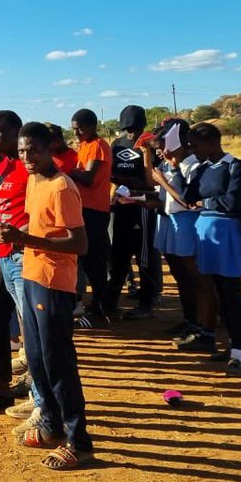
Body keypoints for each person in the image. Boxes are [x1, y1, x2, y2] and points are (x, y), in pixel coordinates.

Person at [0, 121, 93, 470]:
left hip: (54, 281)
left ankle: (78, 441)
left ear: (50, 149)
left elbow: (79, 243)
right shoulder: (34, 180)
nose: (27, 157)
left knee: (58, 362)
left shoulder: (62, 186)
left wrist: (26, 241)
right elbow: (39, 228)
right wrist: (16, 234)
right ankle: (50, 423)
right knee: (35, 357)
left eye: (33, 150)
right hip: (33, 273)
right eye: (22, 151)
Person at [0, 111, 35, 415]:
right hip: (4, 253)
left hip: (26, 254)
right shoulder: (1, 166)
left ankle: (37, 390)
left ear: (17, 131)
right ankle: (0, 386)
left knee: (31, 323)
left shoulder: (31, 166)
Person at [186, 122, 241, 376]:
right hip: (206, 233)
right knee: (215, 290)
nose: (193, 150)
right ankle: (239, 346)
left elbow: (232, 202)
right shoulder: (201, 169)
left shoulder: (235, 166)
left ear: (213, 143)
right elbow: (188, 196)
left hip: (226, 235)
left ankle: (237, 352)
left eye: (196, 145)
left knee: (230, 292)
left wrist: (206, 202)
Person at [153, 120, 217, 353]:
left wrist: (162, 179)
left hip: (189, 223)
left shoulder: (193, 165)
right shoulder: (178, 163)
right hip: (176, 221)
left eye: (166, 145)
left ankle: (204, 329)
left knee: (199, 281)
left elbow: (185, 198)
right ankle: (194, 323)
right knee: (186, 279)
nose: (163, 151)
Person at [106, 105, 159, 320]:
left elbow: (152, 179)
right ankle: (109, 304)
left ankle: (146, 304)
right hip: (120, 207)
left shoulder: (151, 144)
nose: (131, 133)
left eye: (135, 128)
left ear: (142, 126)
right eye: (127, 129)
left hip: (143, 207)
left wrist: (132, 182)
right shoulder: (117, 145)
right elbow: (110, 173)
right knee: (118, 256)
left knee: (144, 258)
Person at [69, 109, 113, 327]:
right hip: (84, 208)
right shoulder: (84, 146)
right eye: (74, 128)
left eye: (80, 128)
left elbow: (88, 178)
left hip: (95, 209)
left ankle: (100, 308)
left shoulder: (97, 146)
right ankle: (97, 305)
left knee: (94, 261)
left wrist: (69, 172)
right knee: (87, 259)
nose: (76, 132)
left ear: (92, 126)